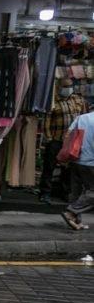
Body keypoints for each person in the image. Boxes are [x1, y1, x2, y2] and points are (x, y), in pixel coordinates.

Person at [41, 86, 87, 203]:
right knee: (49, 166)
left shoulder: (77, 100)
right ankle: (45, 193)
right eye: (65, 86)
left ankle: (65, 192)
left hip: (72, 141)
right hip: (57, 139)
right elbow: (47, 120)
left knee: (68, 168)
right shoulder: (53, 101)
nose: (67, 89)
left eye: (69, 86)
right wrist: (50, 138)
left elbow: (83, 117)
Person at [63, 97, 94, 230]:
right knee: (92, 191)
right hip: (91, 162)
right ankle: (71, 212)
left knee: (76, 191)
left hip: (76, 158)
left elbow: (68, 135)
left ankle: (75, 221)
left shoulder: (82, 117)